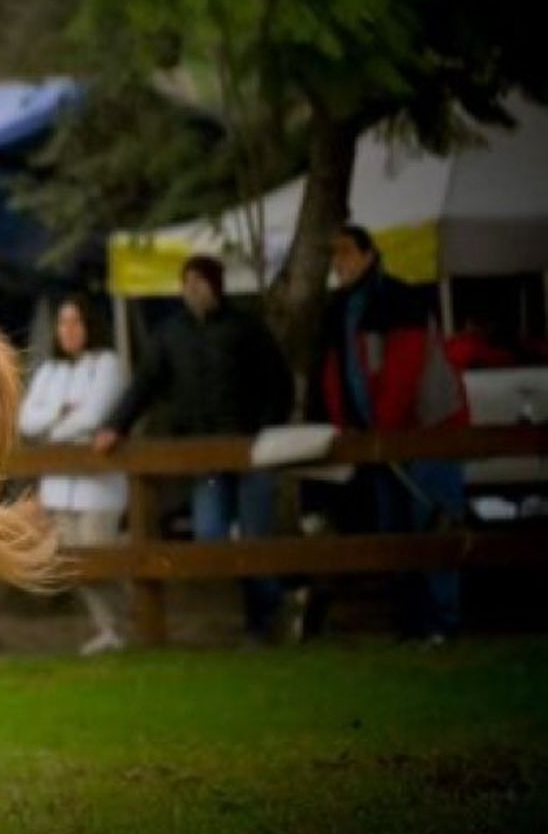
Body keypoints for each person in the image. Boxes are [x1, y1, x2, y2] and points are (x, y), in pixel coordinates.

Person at [93, 255, 295, 644]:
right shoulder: (171, 334)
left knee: (257, 538)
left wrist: (267, 433)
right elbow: (144, 385)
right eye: (187, 282)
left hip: (252, 451)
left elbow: (278, 382)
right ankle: (239, 612)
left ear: (216, 285)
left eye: (200, 281)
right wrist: (114, 425)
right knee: (209, 533)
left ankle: (264, 621)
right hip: (205, 458)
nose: (192, 289)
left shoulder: (246, 328)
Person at [308, 225, 469, 643]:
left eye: (345, 253)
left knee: (430, 523)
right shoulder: (339, 310)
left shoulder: (401, 299)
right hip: (380, 438)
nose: (339, 263)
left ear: (368, 255)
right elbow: (334, 375)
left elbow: (404, 370)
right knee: (395, 527)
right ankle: (412, 623)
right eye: (335, 255)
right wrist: (354, 430)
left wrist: (380, 429)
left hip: (427, 429)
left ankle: (442, 623)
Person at [18, 295, 129, 655]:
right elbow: (26, 420)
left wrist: (53, 425)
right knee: (75, 564)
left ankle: (129, 624)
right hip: (58, 486)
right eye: (63, 323)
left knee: (101, 559)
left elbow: (94, 414)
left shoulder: (108, 365)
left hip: (98, 487)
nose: (68, 330)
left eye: (76, 322)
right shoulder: (50, 371)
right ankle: (109, 630)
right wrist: (61, 411)